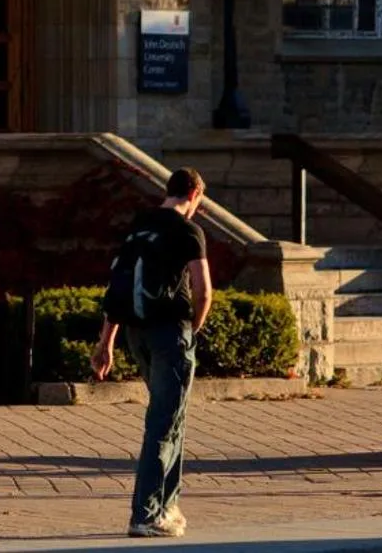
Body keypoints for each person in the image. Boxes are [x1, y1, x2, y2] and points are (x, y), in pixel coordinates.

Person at [94, 167, 212, 540]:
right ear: (193, 193)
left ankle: (167, 507)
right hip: (169, 333)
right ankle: (145, 513)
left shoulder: (140, 224)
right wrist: (193, 329)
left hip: (135, 333)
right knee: (163, 423)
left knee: (171, 417)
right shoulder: (188, 231)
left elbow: (118, 285)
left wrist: (105, 342)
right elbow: (204, 290)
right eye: (199, 201)